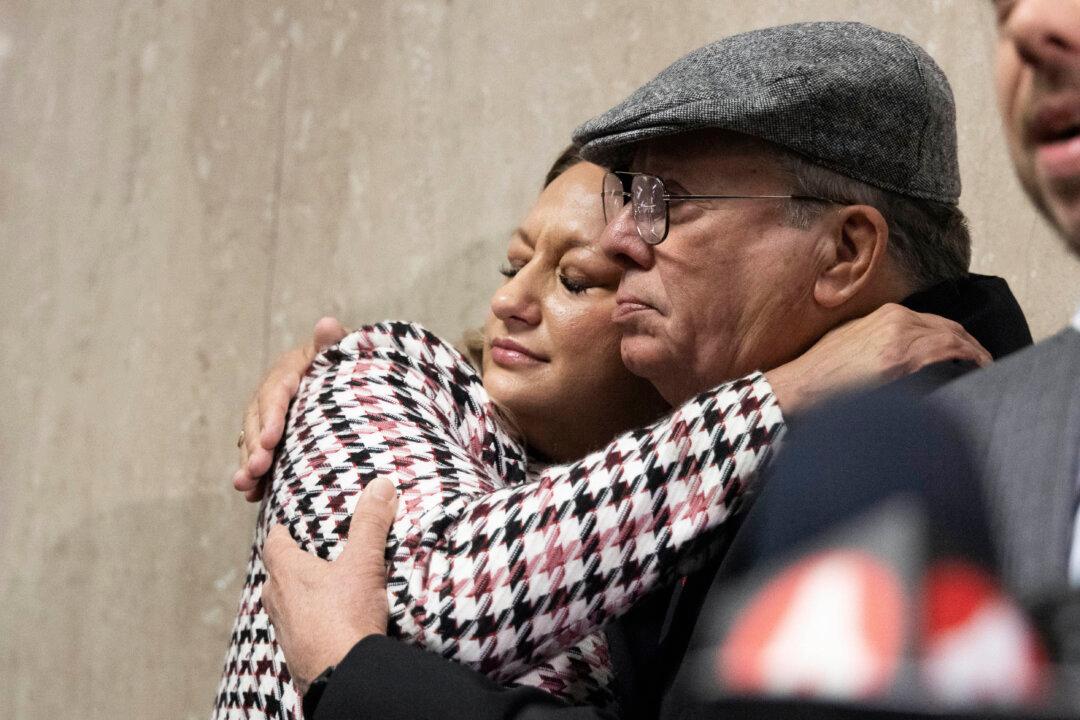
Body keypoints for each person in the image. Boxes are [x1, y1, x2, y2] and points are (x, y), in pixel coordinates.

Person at [246, 21, 1037, 720]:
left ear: (845, 252)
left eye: (670, 202)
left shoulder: (900, 459)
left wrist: (354, 671)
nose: (623, 242)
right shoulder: (751, 443)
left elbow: (425, 613)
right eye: (629, 200)